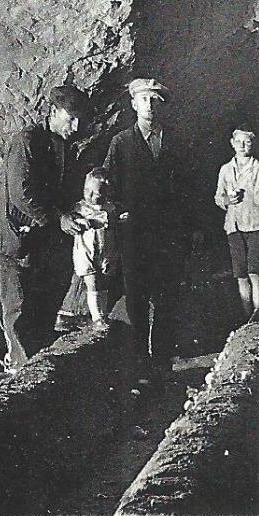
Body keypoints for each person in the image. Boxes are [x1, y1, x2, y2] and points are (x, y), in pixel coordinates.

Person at [0, 82, 94, 369]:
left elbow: (62, 191)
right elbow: (22, 193)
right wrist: (59, 218)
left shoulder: (63, 147)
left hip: (40, 242)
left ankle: (37, 373)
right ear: (53, 112)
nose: (75, 126)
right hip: (16, 241)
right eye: (70, 117)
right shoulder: (28, 141)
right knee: (19, 312)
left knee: (42, 313)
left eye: (80, 120)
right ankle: (21, 374)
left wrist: (78, 207)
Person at [101, 77, 185, 374]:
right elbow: (107, 184)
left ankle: (162, 360)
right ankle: (138, 359)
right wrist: (119, 212)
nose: (149, 105)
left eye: (154, 100)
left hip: (167, 233)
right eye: (144, 99)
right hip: (134, 233)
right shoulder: (121, 142)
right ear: (133, 104)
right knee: (136, 295)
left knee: (167, 296)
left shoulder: (174, 139)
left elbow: (189, 185)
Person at [214, 128, 259, 318]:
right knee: (240, 274)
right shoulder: (225, 169)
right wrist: (226, 201)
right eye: (238, 141)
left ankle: (258, 315)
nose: (242, 145)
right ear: (232, 143)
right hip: (234, 226)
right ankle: (246, 316)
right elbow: (218, 196)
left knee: (254, 271)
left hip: (256, 225)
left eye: (246, 142)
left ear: (252, 144)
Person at [68, 168, 128, 329]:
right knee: (92, 283)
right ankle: (97, 317)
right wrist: (80, 221)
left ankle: (103, 314)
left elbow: (117, 219)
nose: (90, 195)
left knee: (103, 284)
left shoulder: (110, 208)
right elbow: (72, 218)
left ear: (106, 193)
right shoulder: (80, 207)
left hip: (106, 251)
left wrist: (121, 218)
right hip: (86, 252)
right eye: (87, 190)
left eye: (97, 193)